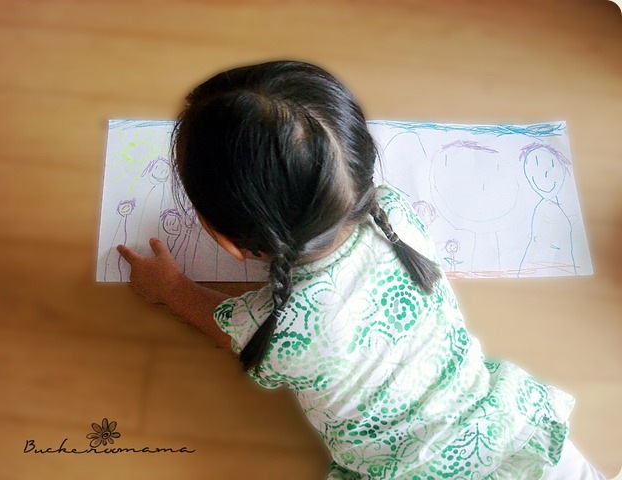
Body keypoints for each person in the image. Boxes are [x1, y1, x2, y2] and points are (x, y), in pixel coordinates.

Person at [116, 60, 605, 480]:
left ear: (229, 244)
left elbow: (228, 333)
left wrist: (171, 288)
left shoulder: (278, 327)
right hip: (514, 436)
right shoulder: (399, 216)